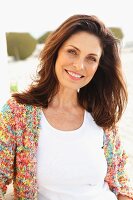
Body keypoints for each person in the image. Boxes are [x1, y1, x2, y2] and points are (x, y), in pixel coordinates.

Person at [0, 14, 133, 200]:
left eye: (91, 58)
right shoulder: (17, 113)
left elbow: (120, 181)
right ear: (56, 51)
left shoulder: (100, 113)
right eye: (72, 51)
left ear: (98, 66)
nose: (79, 65)